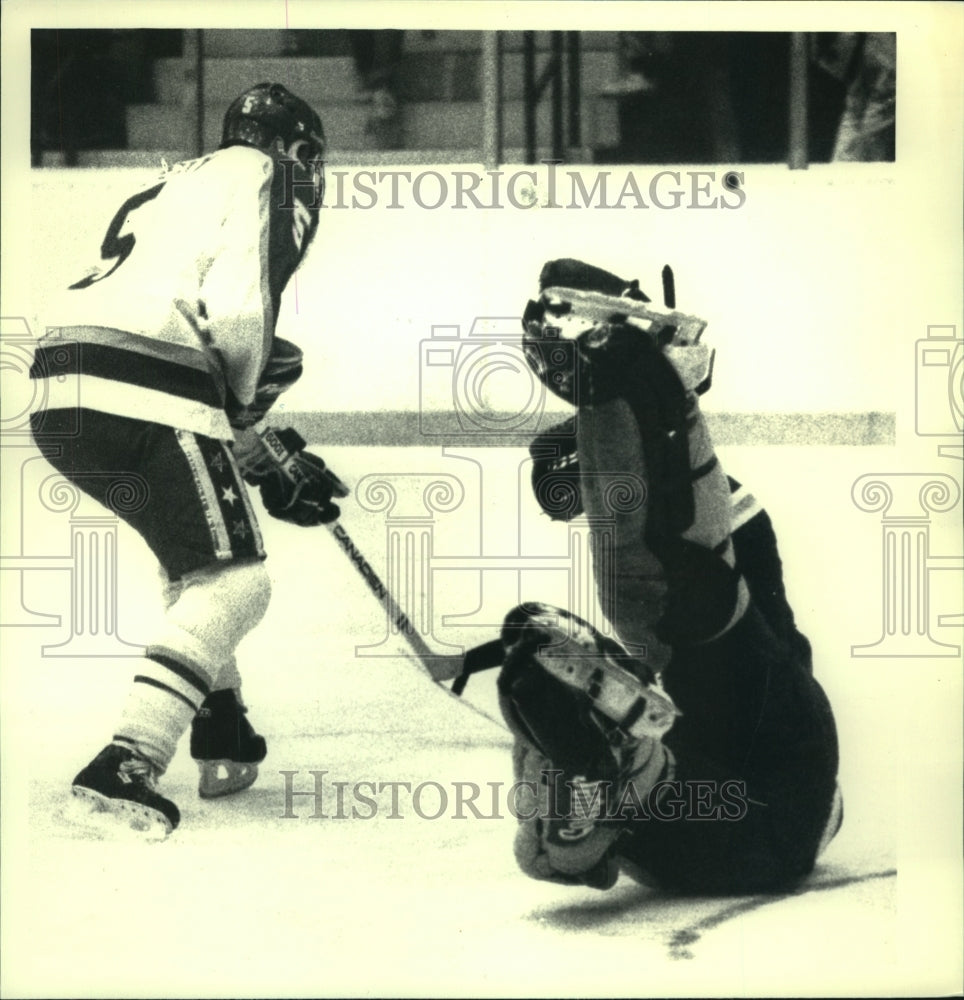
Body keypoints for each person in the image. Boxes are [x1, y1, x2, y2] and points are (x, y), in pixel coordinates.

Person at [29, 82, 348, 837]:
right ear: (296, 147)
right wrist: (251, 433)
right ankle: (128, 759)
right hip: (141, 382)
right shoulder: (274, 174)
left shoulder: (172, 180)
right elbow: (240, 312)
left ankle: (222, 719)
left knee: (194, 559)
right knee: (237, 582)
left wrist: (254, 450)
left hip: (60, 384)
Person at [485, 259, 842, 893]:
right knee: (674, 607)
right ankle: (637, 387)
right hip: (768, 795)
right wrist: (659, 403)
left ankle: (608, 772)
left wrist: (659, 407)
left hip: (772, 790)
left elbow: (722, 568)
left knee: (668, 611)